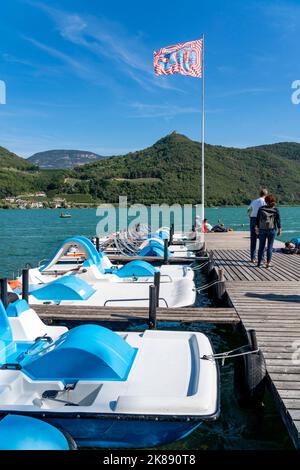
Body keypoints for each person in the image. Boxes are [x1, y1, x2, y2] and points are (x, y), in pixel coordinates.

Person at [255, 194, 282, 268]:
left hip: (262, 229)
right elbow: (278, 221)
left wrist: (256, 228)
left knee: (261, 247)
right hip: (271, 230)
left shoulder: (261, 209)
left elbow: (257, 220)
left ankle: (259, 263)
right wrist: (279, 229)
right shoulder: (275, 209)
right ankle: (268, 263)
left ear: (266, 201)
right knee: (270, 247)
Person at [248, 189, 268, 263]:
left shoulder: (254, 201)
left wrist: (250, 217)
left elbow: (248, 210)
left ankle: (252, 258)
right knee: (262, 240)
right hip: (260, 220)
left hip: (252, 219)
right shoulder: (264, 201)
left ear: (259, 194)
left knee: (253, 240)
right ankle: (262, 258)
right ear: (266, 194)